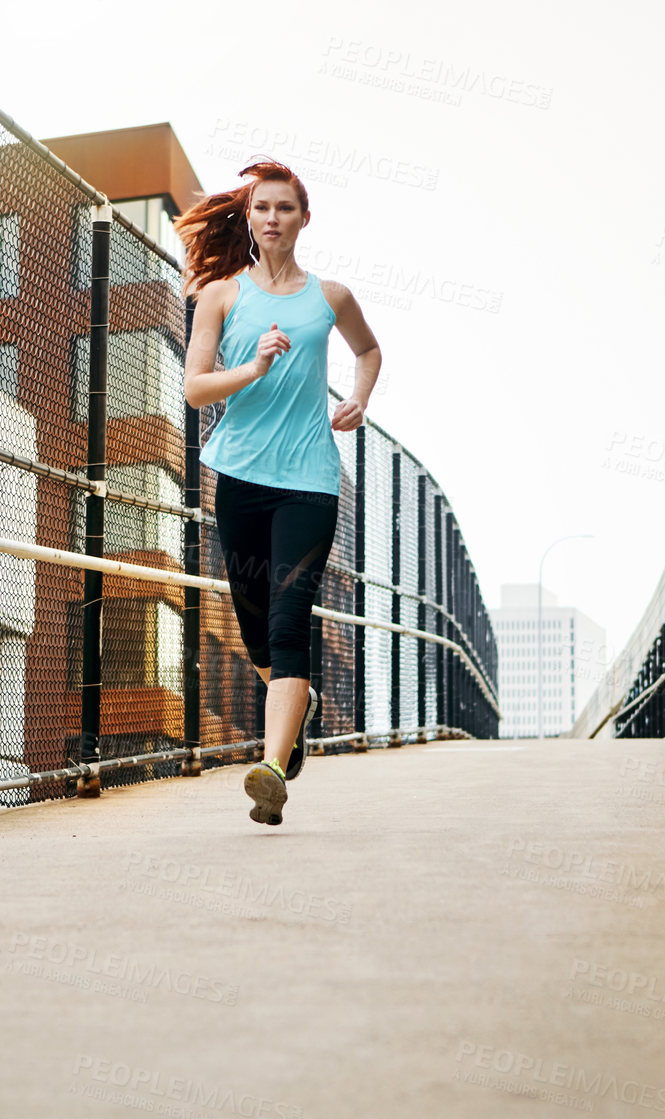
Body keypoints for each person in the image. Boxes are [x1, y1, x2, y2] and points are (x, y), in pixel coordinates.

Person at [177, 160, 381, 826]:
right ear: (249, 216)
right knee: (255, 628)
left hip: (309, 483)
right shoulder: (221, 296)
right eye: (262, 207)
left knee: (290, 620)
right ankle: (299, 711)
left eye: (285, 208)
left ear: (303, 218)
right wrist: (256, 365)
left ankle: (270, 768)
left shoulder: (331, 298)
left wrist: (358, 398)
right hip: (239, 479)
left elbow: (369, 352)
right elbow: (195, 388)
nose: (273, 218)